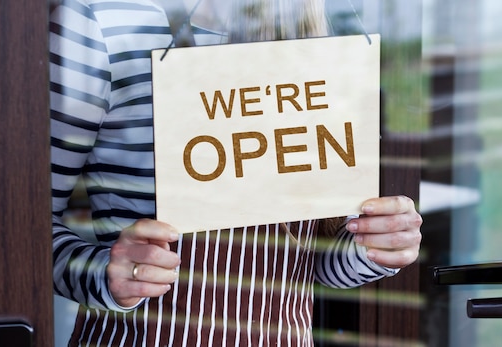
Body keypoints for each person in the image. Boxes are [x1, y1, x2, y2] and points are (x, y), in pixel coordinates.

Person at [50, 0, 423, 345]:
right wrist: (104, 276)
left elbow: (305, 263)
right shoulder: (102, 18)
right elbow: (22, 235)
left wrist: (373, 249)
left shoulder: (297, 17)